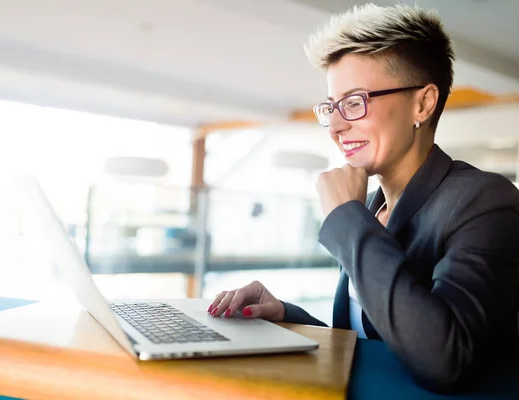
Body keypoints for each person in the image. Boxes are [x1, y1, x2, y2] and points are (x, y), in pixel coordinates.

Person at [207, 3, 519, 393]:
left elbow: (445, 359)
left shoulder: (486, 201)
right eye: (332, 106)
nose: (336, 127)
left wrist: (348, 220)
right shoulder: (370, 205)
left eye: (355, 102)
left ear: (422, 104)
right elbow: (376, 342)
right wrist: (287, 315)